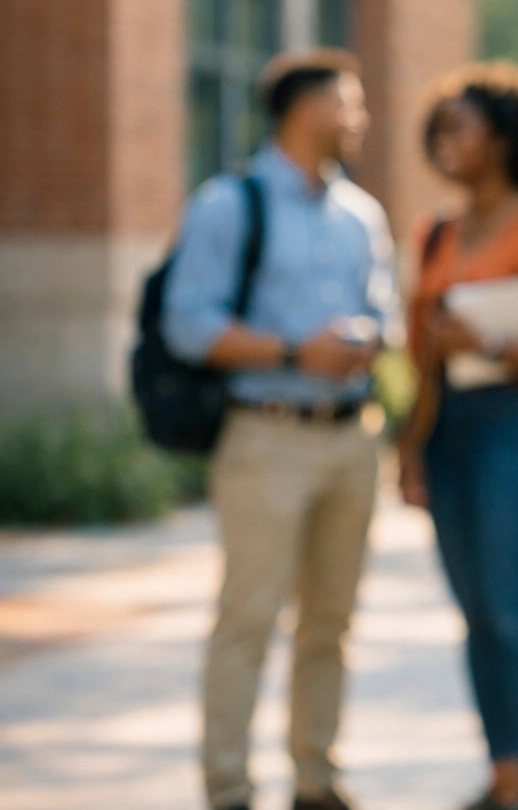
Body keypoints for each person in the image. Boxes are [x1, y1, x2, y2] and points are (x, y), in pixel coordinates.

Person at [164, 49, 397, 810]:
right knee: (250, 616)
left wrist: (367, 338)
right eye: (349, 104)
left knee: (331, 621)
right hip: (265, 435)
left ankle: (315, 780)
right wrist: (299, 350)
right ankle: (227, 787)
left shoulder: (362, 215)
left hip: (351, 438)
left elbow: (385, 310)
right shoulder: (229, 205)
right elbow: (189, 324)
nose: (359, 119)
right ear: (306, 110)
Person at [396, 63, 518, 810]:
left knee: (512, 610)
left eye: (460, 126)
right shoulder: (435, 233)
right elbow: (422, 357)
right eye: (438, 128)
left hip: (517, 429)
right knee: (475, 613)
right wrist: (410, 448)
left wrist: (484, 342)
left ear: (504, 138)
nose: (444, 140)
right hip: (447, 433)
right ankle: (501, 773)